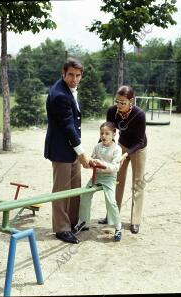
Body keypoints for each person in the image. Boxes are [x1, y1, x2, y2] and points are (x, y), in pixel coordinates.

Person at [44, 57, 90, 244]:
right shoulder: (60, 95)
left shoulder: (69, 89)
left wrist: (77, 152)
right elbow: (69, 127)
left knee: (74, 187)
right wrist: (82, 153)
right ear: (63, 73)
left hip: (71, 148)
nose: (74, 79)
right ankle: (62, 229)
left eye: (78, 75)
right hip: (61, 150)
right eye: (71, 74)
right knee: (61, 191)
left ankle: (72, 222)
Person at [98, 85, 147, 234]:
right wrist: (100, 149)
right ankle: (112, 216)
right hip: (122, 146)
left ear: (131, 101)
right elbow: (108, 132)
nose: (118, 105)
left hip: (138, 149)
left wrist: (126, 154)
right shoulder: (113, 111)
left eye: (122, 102)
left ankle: (135, 221)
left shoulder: (139, 114)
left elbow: (139, 141)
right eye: (117, 101)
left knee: (137, 184)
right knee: (116, 181)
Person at [73, 121, 123, 241]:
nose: (104, 136)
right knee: (85, 195)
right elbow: (91, 160)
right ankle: (83, 221)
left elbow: (115, 167)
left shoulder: (117, 149)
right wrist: (91, 162)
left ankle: (118, 227)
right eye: (102, 133)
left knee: (111, 202)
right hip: (96, 176)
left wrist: (102, 164)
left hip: (109, 178)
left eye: (107, 133)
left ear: (114, 134)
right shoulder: (97, 146)